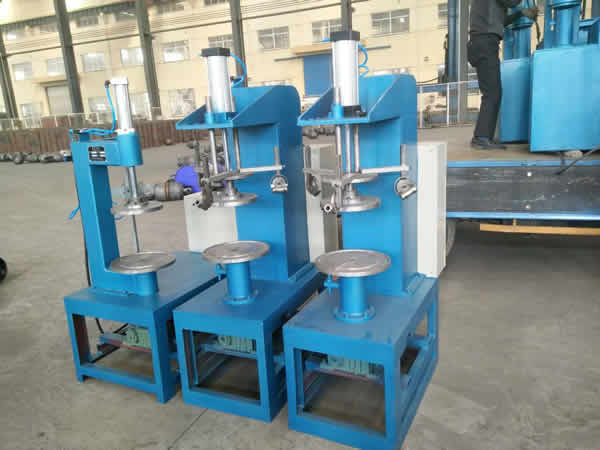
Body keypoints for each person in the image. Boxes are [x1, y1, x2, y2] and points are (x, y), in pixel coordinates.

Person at [468, 0, 538, 149]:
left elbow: (502, 21)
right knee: (492, 93)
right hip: (485, 42)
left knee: (492, 92)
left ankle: (484, 136)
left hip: (482, 43)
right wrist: (522, 8)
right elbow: (512, 2)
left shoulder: (488, 8)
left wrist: (520, 13)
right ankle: (481, 138)